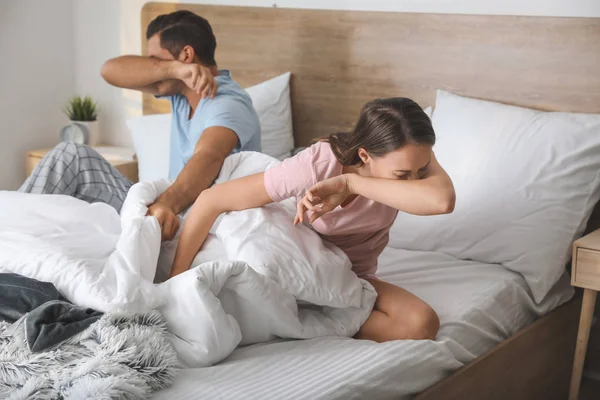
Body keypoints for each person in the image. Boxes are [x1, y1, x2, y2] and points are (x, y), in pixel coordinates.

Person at [169, 97, 455, 342]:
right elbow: (211, 200)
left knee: (421, 324)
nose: (415, 181)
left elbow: (441, 201)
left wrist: (350, 184)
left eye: (423, 169)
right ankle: (294, 312)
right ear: (365, 155)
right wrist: (173, 285)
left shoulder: (414, 155)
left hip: (351, 278)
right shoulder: (318, 164)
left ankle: (307, 319)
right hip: (297, 268)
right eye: (403, 176)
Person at [19, 10, 261, 241]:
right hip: (168, 204)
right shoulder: (180, 94)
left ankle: (11, 229)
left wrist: (166, 204)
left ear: (187, 54)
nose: (153, 68)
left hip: (185, 214)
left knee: (70, 157)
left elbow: (209, 156)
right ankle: (12, 231)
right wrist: (174, 68)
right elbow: (109, 71)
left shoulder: (228, 102)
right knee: (72, 156)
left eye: (156, 59)